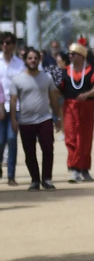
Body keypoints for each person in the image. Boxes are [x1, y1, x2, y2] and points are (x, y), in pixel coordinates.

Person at [10, 47, 61, 190]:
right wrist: (14, 119)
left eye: (35, 58)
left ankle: (47, 179)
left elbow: (53, 98)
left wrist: (58, 117)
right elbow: (13, 101)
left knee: (47, 148)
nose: (33, 61)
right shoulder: (18, 80)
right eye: (30, 58)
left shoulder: (47, 78)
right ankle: (35, 180)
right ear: (25, 60)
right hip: (26, 121)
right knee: (29, 152)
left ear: (39, 60)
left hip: (44, 119)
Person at [59, 42, 94, 182]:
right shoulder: (65, 72)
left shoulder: (92, 71)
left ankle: (84, 168)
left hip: (86, 107)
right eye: (70, 54)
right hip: (70, 107)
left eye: (73, 54)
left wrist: (88, 94)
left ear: (81, 55)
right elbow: (59, 90)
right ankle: (74, 168)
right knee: (71, 138)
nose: (70, 56)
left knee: (84, 139)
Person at [1, 32, 22, 185]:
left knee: (12, 139)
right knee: (0, 141)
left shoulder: (20, 64)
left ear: (13, 45)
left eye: (8, 42)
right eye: (2, 42)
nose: (4, 45)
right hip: (0, 106)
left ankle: (11, 175)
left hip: (16, 106)